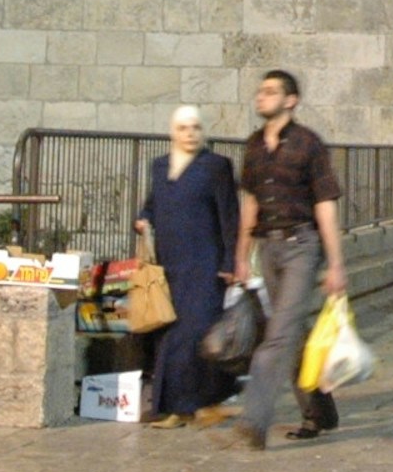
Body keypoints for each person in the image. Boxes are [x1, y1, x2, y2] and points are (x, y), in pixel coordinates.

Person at [223, 69, 350, 449]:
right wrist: (242, 256)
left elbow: (324, 205)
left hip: (302, 245)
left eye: (270, 92)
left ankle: (254, 420)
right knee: (291, 334)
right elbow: (250, 203)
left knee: (277, 336)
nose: (261, 97)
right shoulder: (253, 147)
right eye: (260, 91)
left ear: (290, 101)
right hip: (269, 247)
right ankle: (320, 411)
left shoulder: (309, 144)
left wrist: (336, 263)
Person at [133, 104, 241, 428]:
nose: (190, 134)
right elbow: (153, 203)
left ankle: (195, 403)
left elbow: (229, 216)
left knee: (196, 330)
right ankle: (179, 406)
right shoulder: (161, 166)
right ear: (173, 132)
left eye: (195, 127)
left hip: (205, 262)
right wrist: (143, 219)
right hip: (170, 264)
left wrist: (230, 261)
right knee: (170, 332)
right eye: (183, 128)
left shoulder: (216, 166)